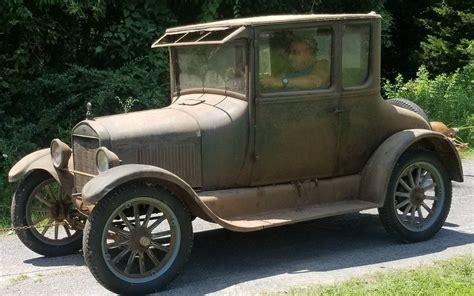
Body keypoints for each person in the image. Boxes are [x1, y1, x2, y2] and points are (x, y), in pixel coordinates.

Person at [260, 35, 330, 90]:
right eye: (289, 52)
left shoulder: (322, 64)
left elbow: (315, 81)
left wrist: (281, 82)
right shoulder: (289, 71)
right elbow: (275, 83)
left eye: (295, 52)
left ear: (309, 53)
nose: (290, 57)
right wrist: (266, 81)